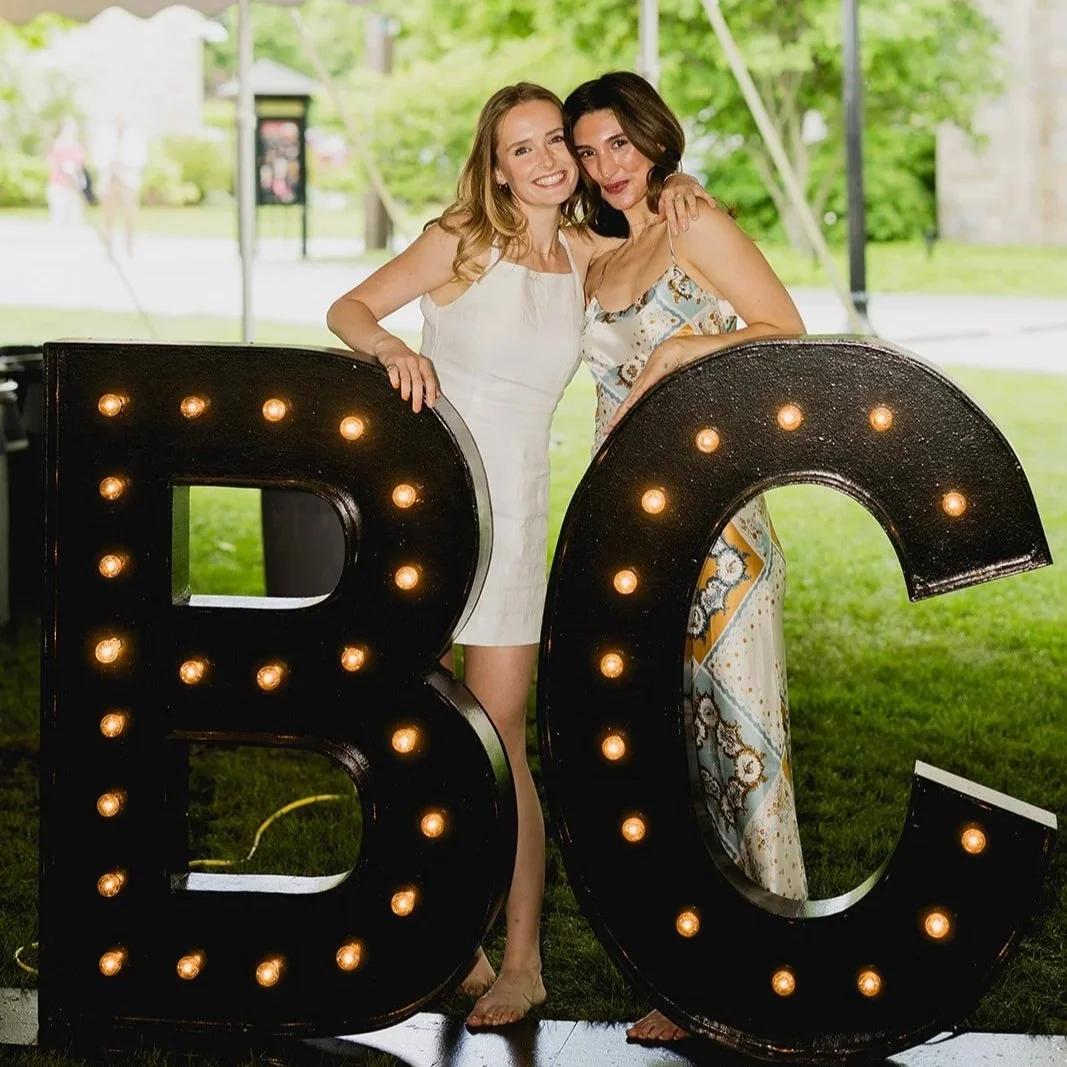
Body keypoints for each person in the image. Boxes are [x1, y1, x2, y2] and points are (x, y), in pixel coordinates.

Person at [327, 82, 709, 1030]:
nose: (544, 161)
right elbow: (350, 306)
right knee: (428, 732)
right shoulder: (460, 240)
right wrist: (389, 349)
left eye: (555, 145)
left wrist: (681, 185)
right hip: (428, 508)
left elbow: (666, 249)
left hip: (519, 517)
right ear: (494, 166)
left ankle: (522, 960)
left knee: (497, 735)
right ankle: (453, 935)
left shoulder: (587, 256)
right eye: (522, 148)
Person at [564, 70, 809, 1043]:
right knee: (666, 761)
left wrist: (672, 357)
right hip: (630, 527)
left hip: (720, 528)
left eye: (618, 145)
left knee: (745, 753)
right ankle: (690, 978)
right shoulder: (593, 254)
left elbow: (783, 328)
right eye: (587, 152)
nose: (603, 166)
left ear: (653, 141)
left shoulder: (692, 223)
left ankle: (779, 969)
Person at [94, 121, 148, 257]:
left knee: (129, 214)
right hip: (109, 178)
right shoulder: (105, 135)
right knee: (108, 215)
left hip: (127, 179)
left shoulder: (134, 136)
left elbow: (141, 158)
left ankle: (129, 245)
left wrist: (123, 163)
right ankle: (108, 247)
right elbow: (98, 157)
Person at [46, 119, 87, 227]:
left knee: (74, 215)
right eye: (69, 128)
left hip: (73, 184)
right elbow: (53, 163)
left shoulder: (77, 146)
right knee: (58, 214)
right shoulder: (57, 145)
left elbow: (80, 165)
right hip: (58, 183)